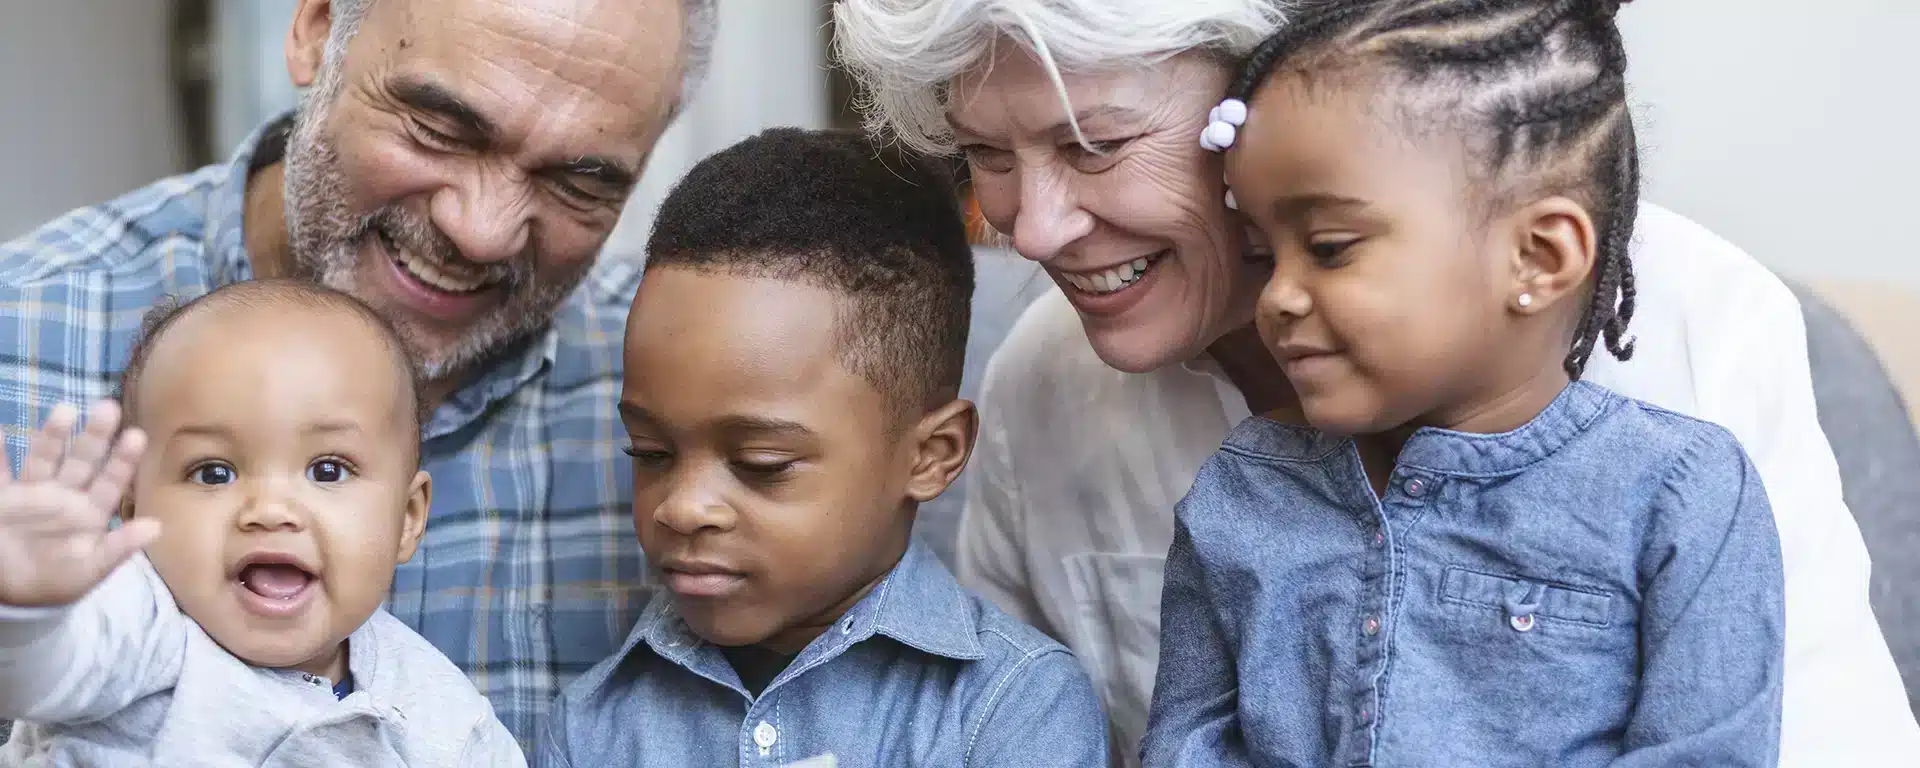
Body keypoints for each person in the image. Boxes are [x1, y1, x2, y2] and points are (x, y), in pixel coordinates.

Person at [831, 0, 1918, 764]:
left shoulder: (1694, 325)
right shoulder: (1041, 390)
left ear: (1282, 88)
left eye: (1101, 144)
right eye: (986, 156)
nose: (1035, 227)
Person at [0, 0, 714, 750]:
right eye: (439, 129)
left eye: (579, 182)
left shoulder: (680, 403)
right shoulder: (20, 336)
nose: (481, 230)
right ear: (314, 30)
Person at [1140, 2, 1784, 765]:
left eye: (1330, 247)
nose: (1279, 295)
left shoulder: (1679, 493)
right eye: (1261, 252)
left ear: (1538, 258)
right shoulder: (1242, 490)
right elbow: (1187, 745)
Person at [543, 128, 1109, 767]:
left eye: (762, 465)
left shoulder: (1013, 710)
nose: (683, 508)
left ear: (933, 454)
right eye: (650, 452)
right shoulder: (593, 726)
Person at [0, 280, 522, 765]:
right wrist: (26, 605)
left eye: (327, 470)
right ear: (134, 509)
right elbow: (36, 672)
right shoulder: (141, 624)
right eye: (213, 473)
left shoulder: (440, 710)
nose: (270, 510)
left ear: (407, 519)